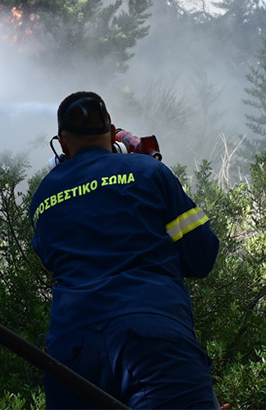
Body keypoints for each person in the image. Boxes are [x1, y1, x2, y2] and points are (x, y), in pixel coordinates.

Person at [29, 91, 220, 410]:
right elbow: (202, 256)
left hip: (72, 354)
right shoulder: (148, 170)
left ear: (61, 143)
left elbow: (51, 261)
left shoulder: (42, 198)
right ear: (113, 132)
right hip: (153, 337)